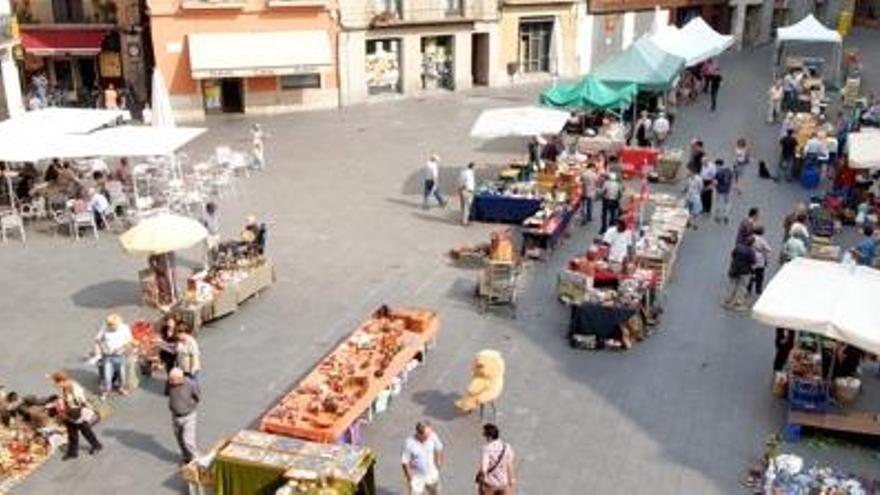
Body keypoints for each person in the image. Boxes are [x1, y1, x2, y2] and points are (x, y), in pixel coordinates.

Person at [51, 372, 102, 460]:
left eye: (57, 383)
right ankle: (72, 452)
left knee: (85, 431)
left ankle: (96, 445)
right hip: (70, 412)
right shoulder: (65, 387)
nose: (56, 385)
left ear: (62, 381)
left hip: (78, 413)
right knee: (72, 433)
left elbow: (81, 401)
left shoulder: (75, 388)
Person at [95, 314, 133, 400]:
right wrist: (102, 349)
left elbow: (130, 341)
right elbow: (98, 340)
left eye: (114, 326)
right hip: (108, 356)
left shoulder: (124, 328)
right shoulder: (105, 327)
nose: (112, 328)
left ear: (118, 324)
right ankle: (106, 391)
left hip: (120, 355)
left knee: (122, 375)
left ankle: (121, 388)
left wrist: (121, 348)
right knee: (107, 375)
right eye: (110, 326)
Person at [401, 421, 443, 495]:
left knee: (436, 492)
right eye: (426, 436)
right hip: (417, 476)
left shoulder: (432, 435)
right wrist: (410, 478)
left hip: (432, 473)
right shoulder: (409, 443)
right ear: (419, 434)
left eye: (430, 433)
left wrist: (438, 461)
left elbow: (439, 447)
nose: (429, 436)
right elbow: (405, 462)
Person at [167, 368, 200, 464]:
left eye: (173, 379)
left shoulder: (190, 384)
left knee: (188, 441)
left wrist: (190, 405)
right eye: (170, 379)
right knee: (179, 438)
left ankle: (197, 460)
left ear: (180, 378)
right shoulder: (170, 383)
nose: (170, 382)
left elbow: (198, 396)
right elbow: (169, 394)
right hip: (175, 416)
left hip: (188, 416)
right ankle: (186, 457)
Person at [476, 423, 515, 495]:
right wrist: (511, 479)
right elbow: (510, 465)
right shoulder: (507, 447)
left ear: (489, 436)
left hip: (490, 483)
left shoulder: (487, 448)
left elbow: (484, 468)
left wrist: (483, 481)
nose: (484, 437)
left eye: (485, 435)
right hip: (503, 483)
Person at [723, 236, 755, 311]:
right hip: (745, 271)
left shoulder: (738, 247)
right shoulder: (751, 251)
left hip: (734, 269)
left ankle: (728, 299)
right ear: (752, 244)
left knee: (732, 284)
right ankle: (739, 301)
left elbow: (733, 255)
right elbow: (753, 261)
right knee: (742, 286)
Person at [749, 225, 771, 296]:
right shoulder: (762, 240)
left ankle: (749, 287)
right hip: (760, 258)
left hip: (751, 255)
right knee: (760, 275)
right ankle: (758, 289)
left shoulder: (751, 237)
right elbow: (768, 249)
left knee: (750, 273)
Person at [713, 159, 734, 224]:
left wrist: (713, 185)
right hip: (727, 189)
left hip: (719, 190)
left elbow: (715, 182)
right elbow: (731, 179)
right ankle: (726, 215)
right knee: (727, 203)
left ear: (718, 165)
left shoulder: (718, 173)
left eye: (716, 165)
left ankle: (718, 216)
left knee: (718, 202)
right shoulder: (729, 171)